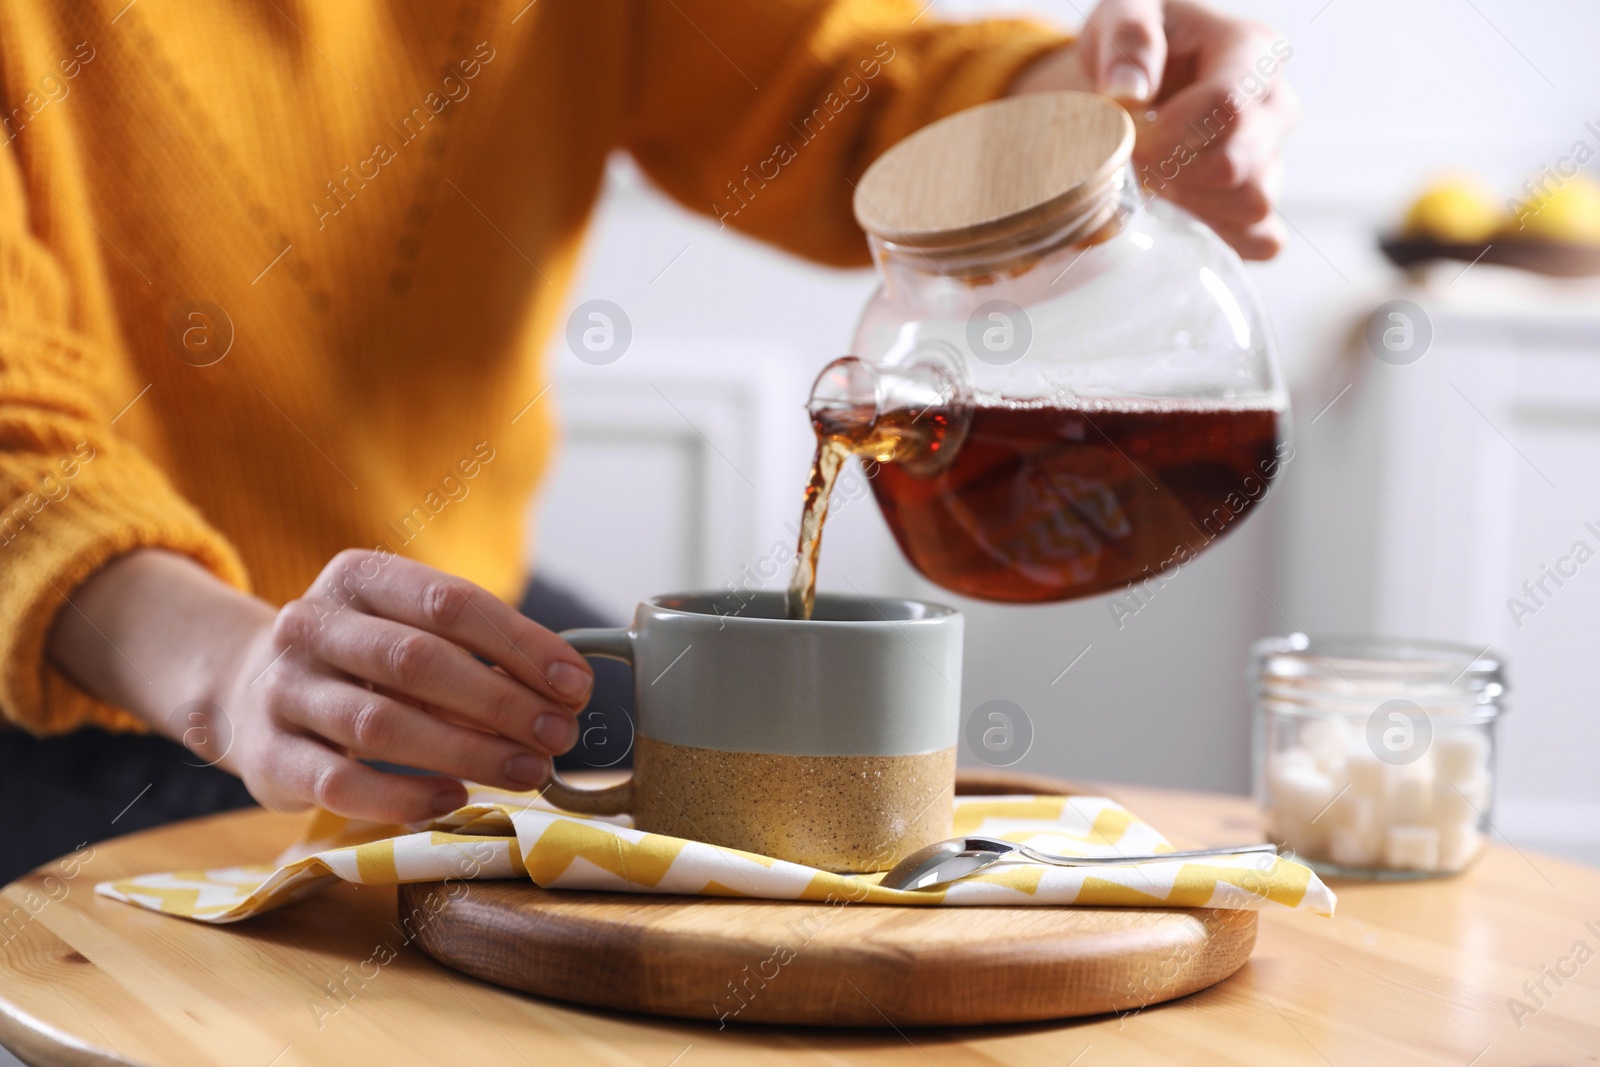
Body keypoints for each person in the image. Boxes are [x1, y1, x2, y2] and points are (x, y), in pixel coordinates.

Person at [0, 0, 1296, 878]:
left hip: (458, 669)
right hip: (78, 702)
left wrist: (1086, 109)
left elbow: (827, 84)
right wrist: (230, 675)